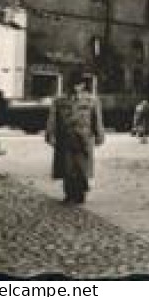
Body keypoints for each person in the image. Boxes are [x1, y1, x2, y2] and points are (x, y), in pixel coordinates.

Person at [44, 74, 105, 205]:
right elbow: (52, 119)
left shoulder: (91, 100)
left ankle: (81, 192)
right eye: (74, 84)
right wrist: (50, 134)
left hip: (83, 138)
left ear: (83, 85)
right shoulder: (60, 100)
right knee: (67, 168)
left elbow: (97, 119)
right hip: (65, 138)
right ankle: (69, 194)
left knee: (82, 168)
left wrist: (99, 135)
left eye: (80, 84)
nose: (77, 88)